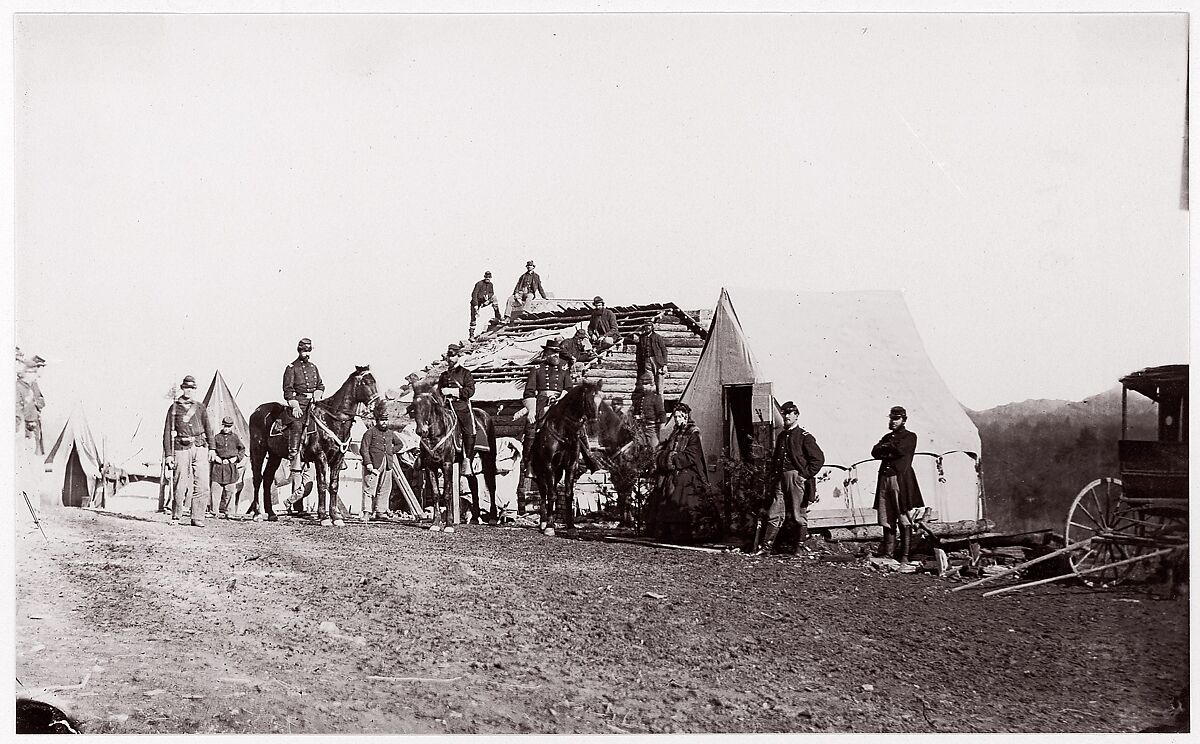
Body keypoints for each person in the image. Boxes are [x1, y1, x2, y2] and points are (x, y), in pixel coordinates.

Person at [754, 401, 825, 555]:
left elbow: (818, 459)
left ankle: (799, 547)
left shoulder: (804, 437)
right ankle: (766, 547)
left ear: (796, 416)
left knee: (798, 513)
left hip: (796, 478)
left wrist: (804, 476)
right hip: (780, 479)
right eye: (784, 413)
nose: (786, 416)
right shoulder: (781, 436)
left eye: (789, 413)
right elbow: (776, 460)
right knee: (775, 512)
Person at [871, 405, 924, 564]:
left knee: (902, 516)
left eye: (896, 419)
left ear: (903, 420)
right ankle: (888, 553)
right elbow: (875, 452)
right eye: (891, 419)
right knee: (886, 516)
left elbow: (900, 450)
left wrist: (886, 448)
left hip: (899, 479)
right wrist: (887, 448)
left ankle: (905, 556)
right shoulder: (888, 437)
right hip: (885, 479)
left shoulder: (910, 436)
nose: (893, 422)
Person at [649, 403, 708, 543]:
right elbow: (668, 447)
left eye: (679, 417)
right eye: (675, 417)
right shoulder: (675, 432)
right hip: (674, 470)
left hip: (688, 471)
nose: (677, 419)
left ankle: (685, 534)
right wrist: (663, 455)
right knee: (663, 489)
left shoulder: (693, 433)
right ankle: (667, 532)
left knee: (682, 493)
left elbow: (693, 455)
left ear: (686, 417)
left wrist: (673, 458)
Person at [162, 375, 214, 527]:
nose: (189, 391)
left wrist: (212, 448)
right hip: (181, 448)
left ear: (194, 390)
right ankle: (176, 515)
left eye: (191, 388)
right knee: (180, 483)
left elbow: (208, 428)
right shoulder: (174, 408)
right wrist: (169, 455)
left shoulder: (200, 407)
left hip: (199, 446)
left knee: (203, 484)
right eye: (186, 388)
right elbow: (166, 432)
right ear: (182, 388)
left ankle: (197, 517)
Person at [283, 337, 324, 497]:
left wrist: (318, 392)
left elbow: (320, 384)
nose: (305, 353)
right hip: (299, 402)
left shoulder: (314, 367)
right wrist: (294, 405)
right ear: (299, 351)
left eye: (308, 351)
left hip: (313, 402)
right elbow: (287, 389)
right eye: (303, 351)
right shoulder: (291, 368)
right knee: (297, 424)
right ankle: (294, 453)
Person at [437, 343, 482, 471]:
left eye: (452, 356)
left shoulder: (465, 373)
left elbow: (470, 391)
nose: (449, 359)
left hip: (460, 406)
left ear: (458, 356)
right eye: (448, 356)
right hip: (446, 407)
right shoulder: (443, 375)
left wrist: (453, 392)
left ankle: (467, 459)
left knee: (469, 429)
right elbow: (438, 393)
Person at [360, 414, 404, 521]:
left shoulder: (390, 433)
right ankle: (366, 512)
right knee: (369, 488)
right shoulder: (370, 432)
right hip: (373, 464)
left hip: (387, 463)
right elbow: (363, 449)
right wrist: (368, 463)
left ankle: (381, 511)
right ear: (377, 421)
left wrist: (391, 451)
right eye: (382, 420)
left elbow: (400, 444)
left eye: (386, 420)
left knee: (385, 488)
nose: (384, 422)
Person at [209, 416, 247, 519]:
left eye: (229, 426)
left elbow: (242, 450)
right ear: (222, 425)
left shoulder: (235, 438)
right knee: (215, 491)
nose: (227, 428)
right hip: (218, 467)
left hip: (230, 468)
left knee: (230, 491)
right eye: (225, 426)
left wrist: (236, 458)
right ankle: (214, 512)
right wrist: (215, 457)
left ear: (232, 427)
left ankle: (229, 512)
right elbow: (211, 448)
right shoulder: (216, 437)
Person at [634, 318, 669, 403]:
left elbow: (664, 350)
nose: (647, 328)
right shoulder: (642, 338)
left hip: (658, 361)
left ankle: (660, 405)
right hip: (647, 361)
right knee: (650, 383)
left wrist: (664, 365)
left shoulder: (657, 337)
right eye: (646, 326)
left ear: (652, 327)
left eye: (649, 326)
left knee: (659, 384)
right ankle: (651, 404)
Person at [469, 270, 502, 341]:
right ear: (484, 277)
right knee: (473, 318)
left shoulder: (491, 284)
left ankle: (498, 316)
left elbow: (492, 292)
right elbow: (474, 295)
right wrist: (476, 305)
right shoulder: (479, 284)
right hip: (476, 302)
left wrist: (488, 296)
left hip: (484, 301)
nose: (488, 279)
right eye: (486, 277)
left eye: (489, 278)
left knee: (494, 298)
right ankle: (471, 335)